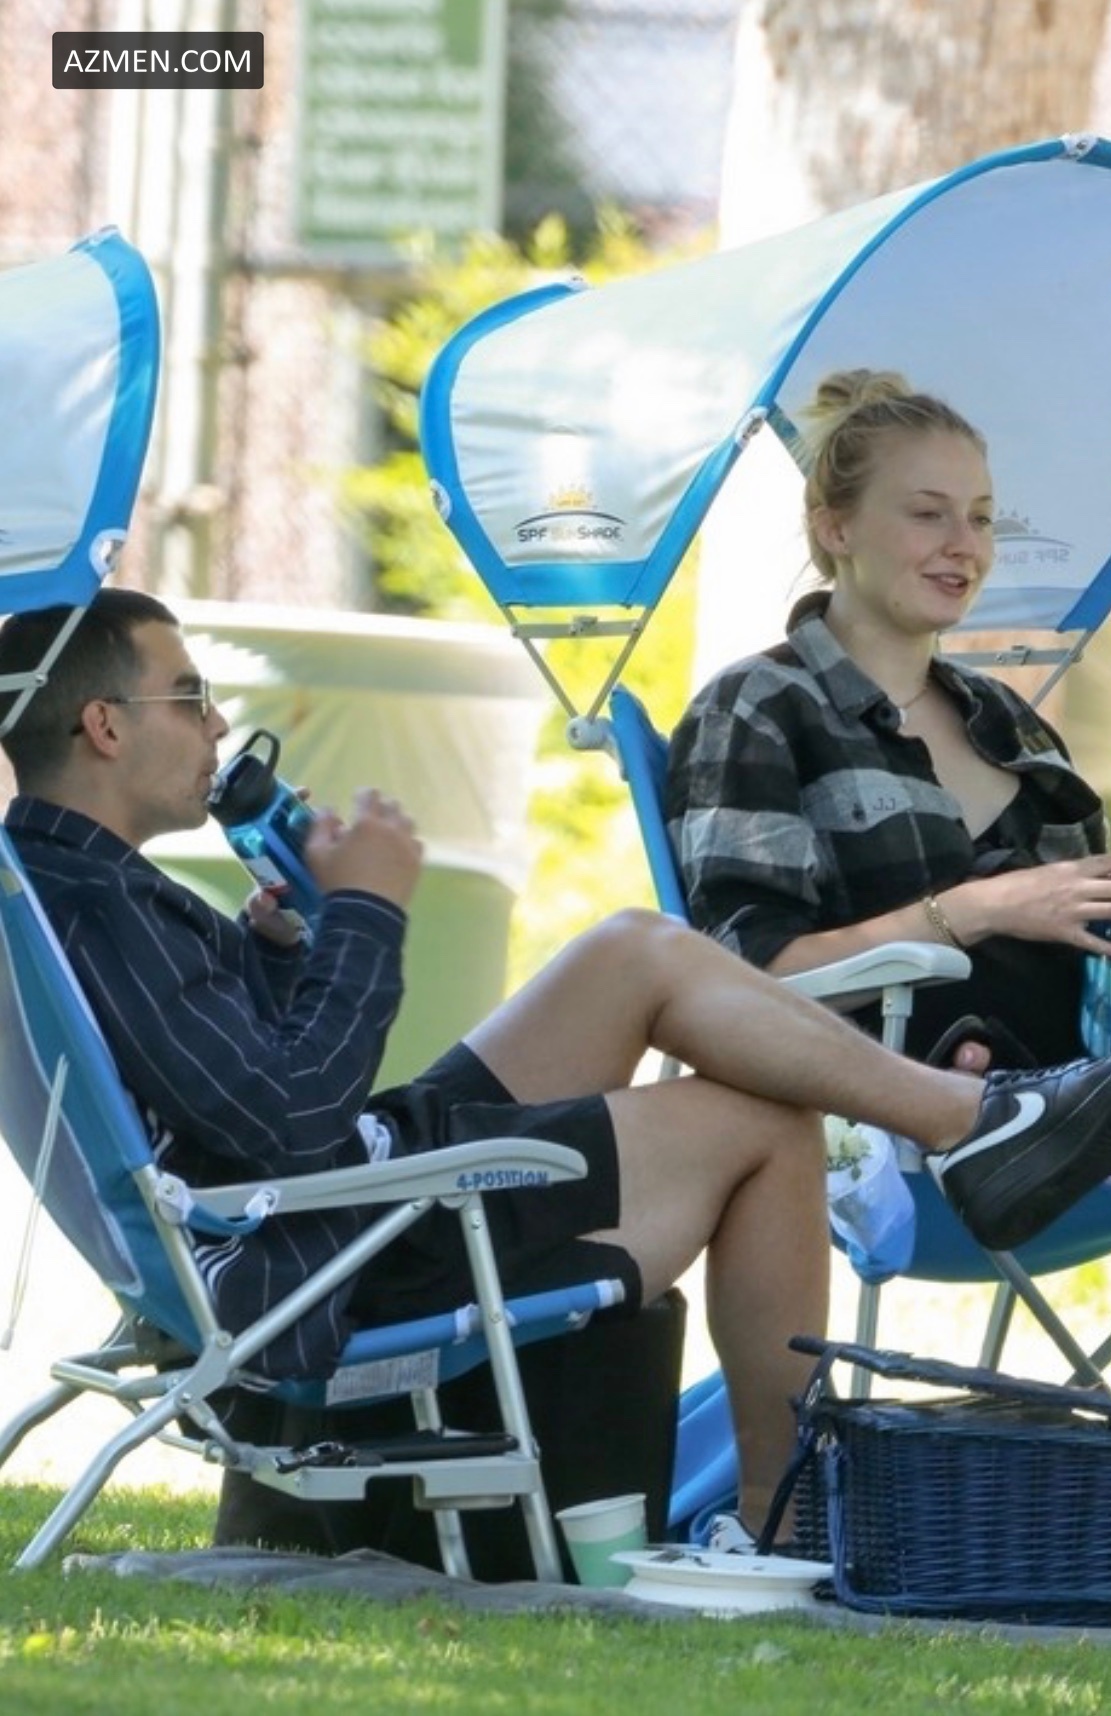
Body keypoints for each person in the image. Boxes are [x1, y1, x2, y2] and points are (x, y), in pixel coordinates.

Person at [3, 591, 1111, 1544]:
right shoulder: (94, 909)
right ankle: (781, 1522)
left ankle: (969, 1119)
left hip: (334, 1191)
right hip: (331, 1246)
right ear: (104, 724)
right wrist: (367, 913)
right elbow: (293, 1121)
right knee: (765, 1124)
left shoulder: (68, 887)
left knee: (632, 950)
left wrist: (284, 952)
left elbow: (248, 1083)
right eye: (189, 696)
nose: (216, 723)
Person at [667, 368, 1110, 1076]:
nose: (965, 544)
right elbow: (743, 977)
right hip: (895, 1105)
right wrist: (977, 909)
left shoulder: (1006, 719)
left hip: (1072, 1086)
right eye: (928, 514)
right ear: (835, 527)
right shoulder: (760, 707)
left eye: (981, 518)